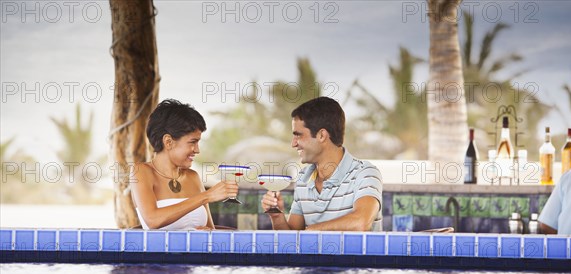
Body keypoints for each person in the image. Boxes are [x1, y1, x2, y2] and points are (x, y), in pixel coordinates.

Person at [261, 96, 383, 231]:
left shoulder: (365, 173)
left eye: (298, 135)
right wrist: (277, 217)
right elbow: (292, 242)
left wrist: (312, 231)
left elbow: (361, 223)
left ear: (321, 135)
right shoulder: (303, 179)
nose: (293, 143)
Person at [131, 99, 238, 230]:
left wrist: (208, 231)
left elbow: (211, 230)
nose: (197, 149)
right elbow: (153, 220)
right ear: (168, 141)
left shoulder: (193, 177)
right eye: (192, 142)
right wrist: (206, 196)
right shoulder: (141, 172)